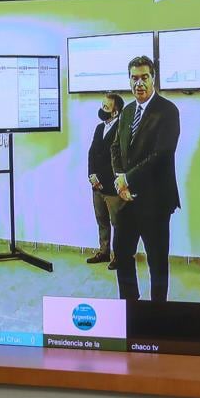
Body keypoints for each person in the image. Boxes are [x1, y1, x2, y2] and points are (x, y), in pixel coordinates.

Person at [110, 56, 181, 301]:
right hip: (126, 199)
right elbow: (115, 147)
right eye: (134, 78)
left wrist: (128, 179)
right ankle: (130, 304)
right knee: (121, 254)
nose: (139, 83)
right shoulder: (128, 111)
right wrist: (120, 179)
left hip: (156, 200)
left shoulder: (168, 110)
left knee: (157, 262)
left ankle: (157, 312)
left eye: (144, 77)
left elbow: (162, 154)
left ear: (153, 78)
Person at [86, 92, 124, 270]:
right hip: (96, 186)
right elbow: (92, 153)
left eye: (106, 107)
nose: (102, 110)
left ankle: (119, 257)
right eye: (102, 105)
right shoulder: (99, 128)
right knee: (101, 220)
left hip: (112, 187)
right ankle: (104, 252)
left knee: (118, 224)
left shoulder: (122, 130)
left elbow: (119, 160)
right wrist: (92, 175)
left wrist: (103, 181)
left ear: (115, 112)